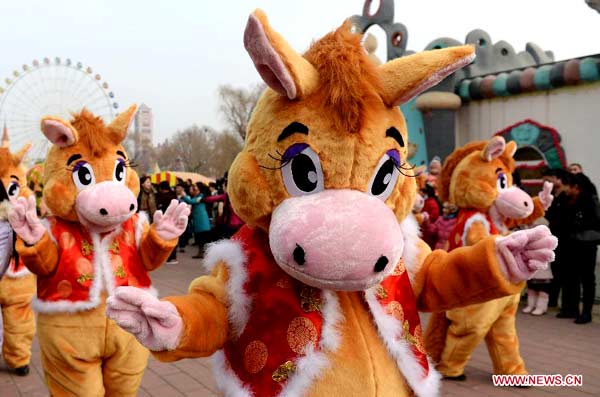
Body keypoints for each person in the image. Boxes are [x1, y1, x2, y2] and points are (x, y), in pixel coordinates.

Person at [557, 173, 598, 324]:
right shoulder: (566, 198)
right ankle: (571, 308)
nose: (564, 189)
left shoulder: (588, 198)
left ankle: (587, 312)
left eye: (566, 186)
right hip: (571, 243)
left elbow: (593, 221)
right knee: (571, 276)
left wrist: (576, 223)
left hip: (586, 244)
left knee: (587, 278)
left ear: (575, 186)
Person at [181, 182, 212, 258]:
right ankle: (201, 252)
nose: (193, 187)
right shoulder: (197, 196)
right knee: (200, 237)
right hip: (199, 220)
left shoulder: (201, 196)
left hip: (202, 220)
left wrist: (184, 196)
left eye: (195, 186)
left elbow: (191, 201)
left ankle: (202, 253)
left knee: (202, 237)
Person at [156, 181, 179, 264]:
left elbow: (159, 207)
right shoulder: (173, 195)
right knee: (172, 237)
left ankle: (170, 257)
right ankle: (173, 256)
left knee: (166, 238)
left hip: (165, 220)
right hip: (174, 220)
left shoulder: (163, 196)